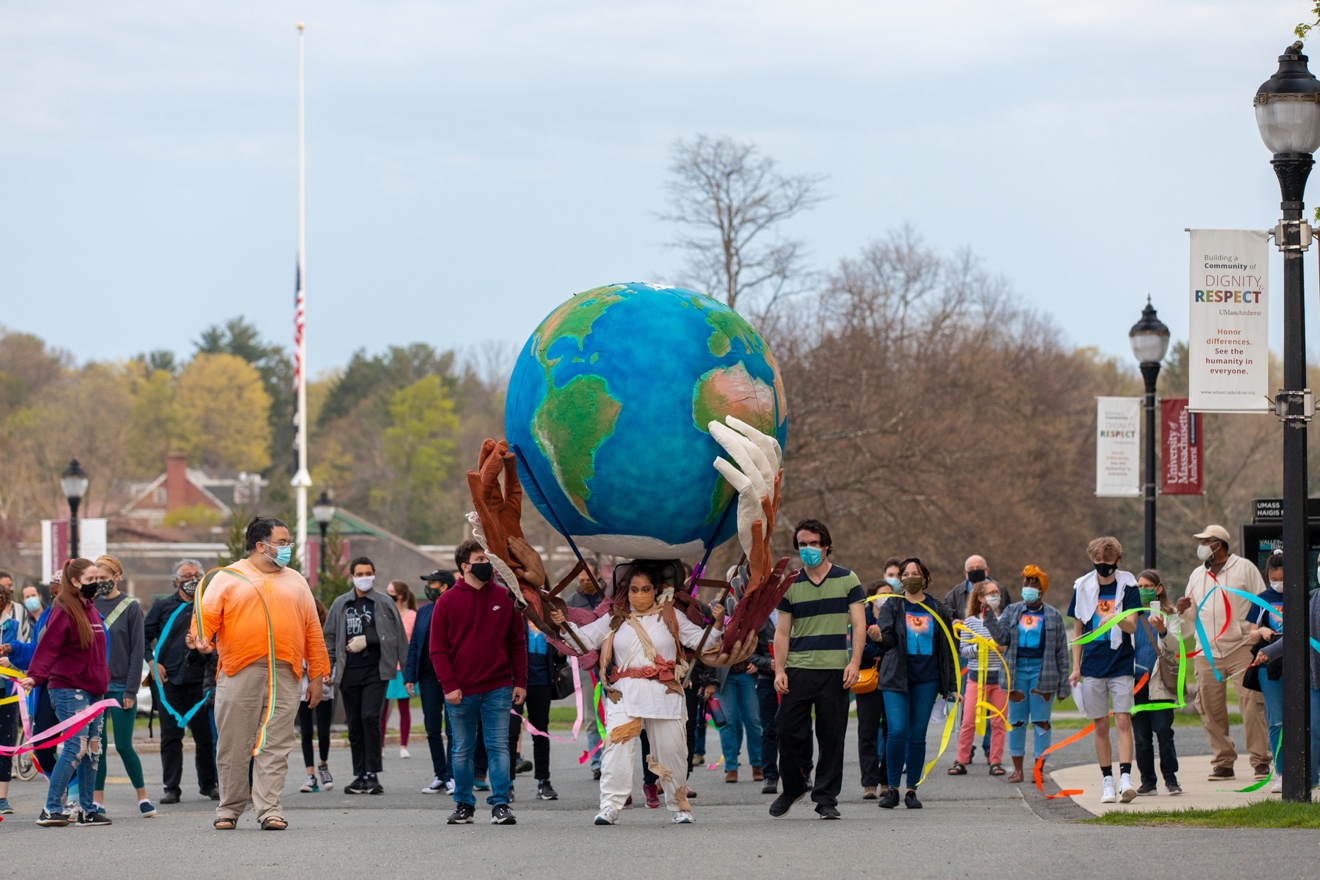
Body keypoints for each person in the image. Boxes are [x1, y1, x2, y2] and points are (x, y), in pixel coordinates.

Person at [550, 561, 725, 825]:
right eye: (634, 589)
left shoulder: (671, 615)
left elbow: (705, 642)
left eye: (645, 589)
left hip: (664, 692)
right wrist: (563, 624)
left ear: (655, 590)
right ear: (626, 590)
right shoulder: (615, 617)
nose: (639, 594)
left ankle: (679, 805)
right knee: (616, 750)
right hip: (625, 693)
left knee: (673, 751)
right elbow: (583, 640)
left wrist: (719, 620)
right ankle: (610, 805)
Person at [192, 516, 330, 831]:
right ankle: (228, 809)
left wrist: (318, 675)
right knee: (233, 743)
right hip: (240, 669)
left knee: (276, 743)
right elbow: (206, 620)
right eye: (282, 542)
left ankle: (269, 809)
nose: (288, 548)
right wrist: (201, 639)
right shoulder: (228, 577)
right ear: (260, 545)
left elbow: (312, 629)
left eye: (288, 542)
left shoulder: (296, 580)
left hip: (286, 671)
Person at [768, 519, 865, 820]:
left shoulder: (848, 579)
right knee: (785, 729)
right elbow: (782, 632)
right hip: (798, 669)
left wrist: (854, 662)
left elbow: (860, 624)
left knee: (832, 736)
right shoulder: (790, 584)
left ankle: (825, 798)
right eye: (803, 544)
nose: (808, 549)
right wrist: (779, 669)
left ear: (825, 545)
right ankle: (794, 786)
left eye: (814, 543)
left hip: (836, 670)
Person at [429, 539, 526, 826]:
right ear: (464, 566)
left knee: (499, 746)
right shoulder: (446, 602)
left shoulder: (505, 598)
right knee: (462, 749)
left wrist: (520, 681)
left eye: (488, 559)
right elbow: (437, 649)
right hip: (461, 690)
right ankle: (463, 804)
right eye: (480, 560)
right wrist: (449, 685)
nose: (487, 565)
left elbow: (517, 643)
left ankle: (500, 804)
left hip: (498, 687)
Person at [19, 558, 112, 827]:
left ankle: (86, 810)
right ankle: (51, 809)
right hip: (69, 689)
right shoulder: (63, 610)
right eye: (91, 579)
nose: (97, 583)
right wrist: (35, 676)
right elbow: (48, 648)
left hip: (95, 690)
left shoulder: (92, 610)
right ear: (74, 582)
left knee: (93, 750)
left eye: (98, 578)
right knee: (76, 747)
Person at [1175, 525, 1270, 781]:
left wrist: (1252, 632)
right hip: (1206, 651)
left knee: (1251, 703)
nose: (1202, 545)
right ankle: (1223, 761)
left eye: (1207, 541)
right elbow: (1193, 614)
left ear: (1220, 544)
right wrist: (1183, 608)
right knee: (1209, 707)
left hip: (1241, 646)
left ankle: (1261, 760)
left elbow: (1262, 603)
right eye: (1201, 541)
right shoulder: (1197, 575)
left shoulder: (1244, 568)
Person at [871, 557, 959, 810]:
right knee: (896, 731)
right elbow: (887, 641)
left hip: (927, 680)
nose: (911, 577)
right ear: (901, 580)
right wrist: (878, 636)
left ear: (925, 578)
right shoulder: (893, 606)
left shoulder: (937, 608)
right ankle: (891, 788)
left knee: (917, 736)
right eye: (906, 574)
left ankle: (911, 789)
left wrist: (952, 685)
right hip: (896, 678)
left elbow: (947, 649)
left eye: (915, 573)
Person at [323, 557, 408, 795]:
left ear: (374, 574)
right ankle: (359, 775)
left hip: (376, 670)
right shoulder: (341, 604)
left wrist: (369, 641)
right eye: (359, 574)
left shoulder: (384, 603)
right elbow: (328, 638)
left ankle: (373, 774)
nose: (364, 577)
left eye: (368, 573)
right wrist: (327, 668)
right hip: (348, 672)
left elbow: (398, 637)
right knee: (355, 724)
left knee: (370, 716)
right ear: (352, 577)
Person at [981, 565, 1071, 784]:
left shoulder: (1053, 615)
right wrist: (990, 616)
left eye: (1034, 583)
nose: (1029, 587)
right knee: (1017, 721)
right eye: (1026, 583)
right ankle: (1018, 769)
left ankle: (1038, 769)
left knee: (1041, 722)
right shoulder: (1012, 611)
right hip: (1017, 670)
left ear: (1041, 589)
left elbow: (1061, 652)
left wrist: (1063, 685)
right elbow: (1001, 639)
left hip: (1043, 671)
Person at [1068, 536, 1141, 804]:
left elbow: (1133, 625)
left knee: (1123, 720)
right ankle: (1107, 780)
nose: (1103, 568)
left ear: (1117, 561)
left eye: (1108, 563)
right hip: (1093, 665)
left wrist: (1117, 619)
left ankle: (1126, 779)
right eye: (1098, 563)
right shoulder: (1083, 586)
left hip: (1120, 661)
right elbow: (1078, 629)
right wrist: (1076, 667)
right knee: (1100, 725)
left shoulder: (1128, 584)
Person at [143, 558, 218, 804]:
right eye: (186, 576)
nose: (192, 580)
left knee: (205, 738)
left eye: (196, 575)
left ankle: (208, 785)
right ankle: (171, 788)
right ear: (176, 581)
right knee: (171, 738)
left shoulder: (208, 607)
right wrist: (153, 662)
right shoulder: (163, 606)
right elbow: (142, 637)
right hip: (169, 683)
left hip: (200, 683)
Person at [90, 556, 153, 817]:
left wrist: (130, 690)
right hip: (94, 686)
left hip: (120, 686)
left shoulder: (130, 607)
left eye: (105, 579)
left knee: (124, 745)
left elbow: (137, 649)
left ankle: (143, 797)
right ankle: (97, 800)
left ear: (117, 576)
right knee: (97, 744)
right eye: (97, 579)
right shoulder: (90, 604)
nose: (101, 583)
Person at [1253, 574, 1320, 790]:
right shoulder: (1311, 599)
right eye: (1318, 565)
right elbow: (1294, 635)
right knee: (1315, 728)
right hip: (1316, 678)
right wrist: (1268, 652)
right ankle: (1310, 779)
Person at [1131, 569, 1182, 796]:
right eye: (1139, 587)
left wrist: (1162, 630)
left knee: (1163, 731)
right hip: (1136, 683)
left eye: (1147, 586)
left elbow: (1175, 647)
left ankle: (1171, 779)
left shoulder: (1171, 615)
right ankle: (1147, 781)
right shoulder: (1131, 614)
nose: (1143, 590)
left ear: (1158, 589)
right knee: (1141, 737)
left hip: (1160, 680)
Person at [951, 579, 1008, 776]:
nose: (996, 596)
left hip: (999, 679)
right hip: (976, 679)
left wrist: (1001, 646)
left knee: (998, 722)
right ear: (981, 598)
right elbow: (964, 651)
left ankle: (995, 761)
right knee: (968, 721)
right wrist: (980, 646)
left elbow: (1007, 645)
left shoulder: (1004, 620)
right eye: (991, 592)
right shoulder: (970, 622)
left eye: (997, 592)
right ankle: (961, 760)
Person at [407, 570, 455, 794]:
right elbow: (415, 644)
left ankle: (454, 775)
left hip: (453, 676)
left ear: (444, 586)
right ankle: (440, 775)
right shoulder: (424, 611)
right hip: (427, 678)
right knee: (432, 728)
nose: (429, 586)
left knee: (454, 728)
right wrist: (409, 677)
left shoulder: (455, 607)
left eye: (432, 582)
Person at [857, 559, 900, 798]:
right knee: (868, 732)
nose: (887, 598)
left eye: (890, 595)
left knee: (892, 731)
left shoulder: (896, 618)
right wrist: (879, 644)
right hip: (868, 680)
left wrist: (881, 643)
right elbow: (857, 649)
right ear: (871, 597)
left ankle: (887, 781)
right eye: (882, 594)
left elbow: (897, 646)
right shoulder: (860, 618)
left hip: (892, 679)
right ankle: (869, 783)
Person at [715, 583, 762, 784]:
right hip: (723, 678)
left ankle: (757, 765)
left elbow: (763, 640)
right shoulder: (717, 610)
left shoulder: (754, 611)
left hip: (745, 675)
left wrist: (758, 663)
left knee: (752, 721)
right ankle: (731, 767)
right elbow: (707, 643)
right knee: (728, 722)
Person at [1248, 550, 1285, 792]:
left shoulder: (1305, 596)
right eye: (1273, 579)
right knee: (1276, 720)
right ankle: (1281, 771)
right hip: (1267, 663)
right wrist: (1261, 633)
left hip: (1296, 662)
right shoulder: (1262, 599)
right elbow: (1250, 632)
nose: (1277, 583)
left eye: (1281, 578)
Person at [567, 560, 607, 779]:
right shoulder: (572, 602)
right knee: (592, 716)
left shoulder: (608, 597)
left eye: (588, 578)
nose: (584, 583)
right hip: (585, 665)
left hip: (611, 661)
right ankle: (596, 762)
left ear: (598, 574)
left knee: (613, 714)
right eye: (580, 579)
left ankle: (612, 758)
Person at [297, 593, 334, 794]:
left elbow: (331, 659)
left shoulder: (326, 636)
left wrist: (329, 675)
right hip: (302, 690)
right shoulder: (297, 633)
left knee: (324, 731)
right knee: (305, 732)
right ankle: (310, 774)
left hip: (324, 690)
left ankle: (323, 764)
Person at [381, 579, 417, 759]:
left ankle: (404, 746)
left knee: (404, 708)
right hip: (386, 665)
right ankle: (380, 747)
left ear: (400, 595)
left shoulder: (413, 616)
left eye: (391, 591)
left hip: (403, 669)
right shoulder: (385, 615)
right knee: (382, 708)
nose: (388, 594)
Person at [523, 622, 558, 800]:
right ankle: (507, 784)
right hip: (516, 682)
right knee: (510, 733)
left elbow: (560, 653)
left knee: (541, 734)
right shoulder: (515, 616)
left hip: (542, 682)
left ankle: (543, 781)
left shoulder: (548, 622)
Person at [0, 573, 21, 815]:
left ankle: (2, 798)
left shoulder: (13, 626)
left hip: (7, 690)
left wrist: (11, 660)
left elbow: (22, 655)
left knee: (5, 743)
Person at [943, 555, 990, 622]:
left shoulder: (1000, 591)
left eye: (979, 568)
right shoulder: (954, 595)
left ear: (987, 570)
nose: (975, 570)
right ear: (965, 573)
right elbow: (945, 618)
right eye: (971, 569)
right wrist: (953, 625)